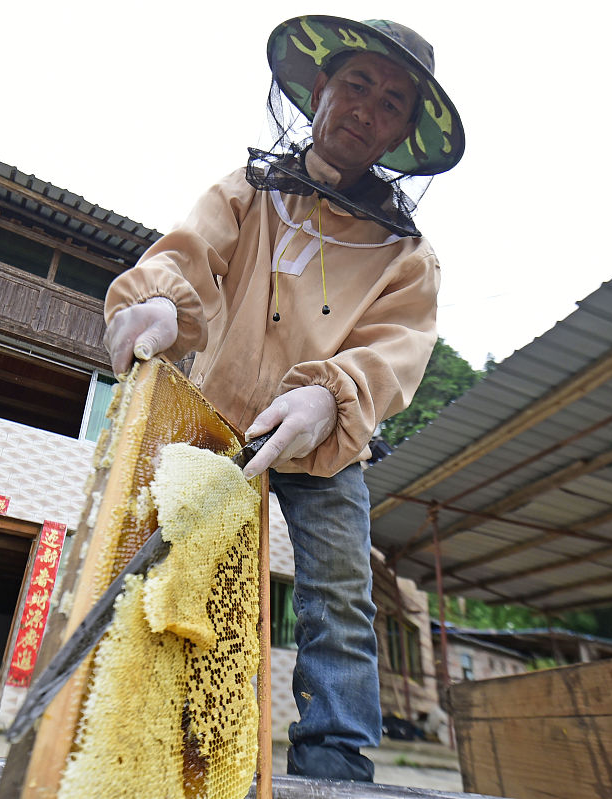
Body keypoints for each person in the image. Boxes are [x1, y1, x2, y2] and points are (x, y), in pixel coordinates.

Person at [103, 15, 465, 783]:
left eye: (391, 102)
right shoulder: (249, 191)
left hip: (326, 440)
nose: (367, 108)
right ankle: (179, 732)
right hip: (218, 417)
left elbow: (394, 351)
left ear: (400, 133)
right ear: (321, 89)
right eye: (357, 84)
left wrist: (330, 399)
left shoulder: (408, 255)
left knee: (339, 591)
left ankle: (334, 752)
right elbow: (188, 255)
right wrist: (163, 306)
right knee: (191, 568)